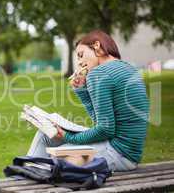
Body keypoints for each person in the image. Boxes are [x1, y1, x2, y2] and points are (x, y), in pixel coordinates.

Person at [27, 30, 150, 172]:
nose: (79, 62)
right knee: (46, 135)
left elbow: (105, 129)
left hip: (118, 153)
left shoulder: (98, 73)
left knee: (51, 160)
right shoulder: (129, 68)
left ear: (97, 46)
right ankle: (28, 177)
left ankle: (25, 181)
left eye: (81, 55)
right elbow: (102, 124)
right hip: (125, 151)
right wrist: (81, 90)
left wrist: (68, 137)